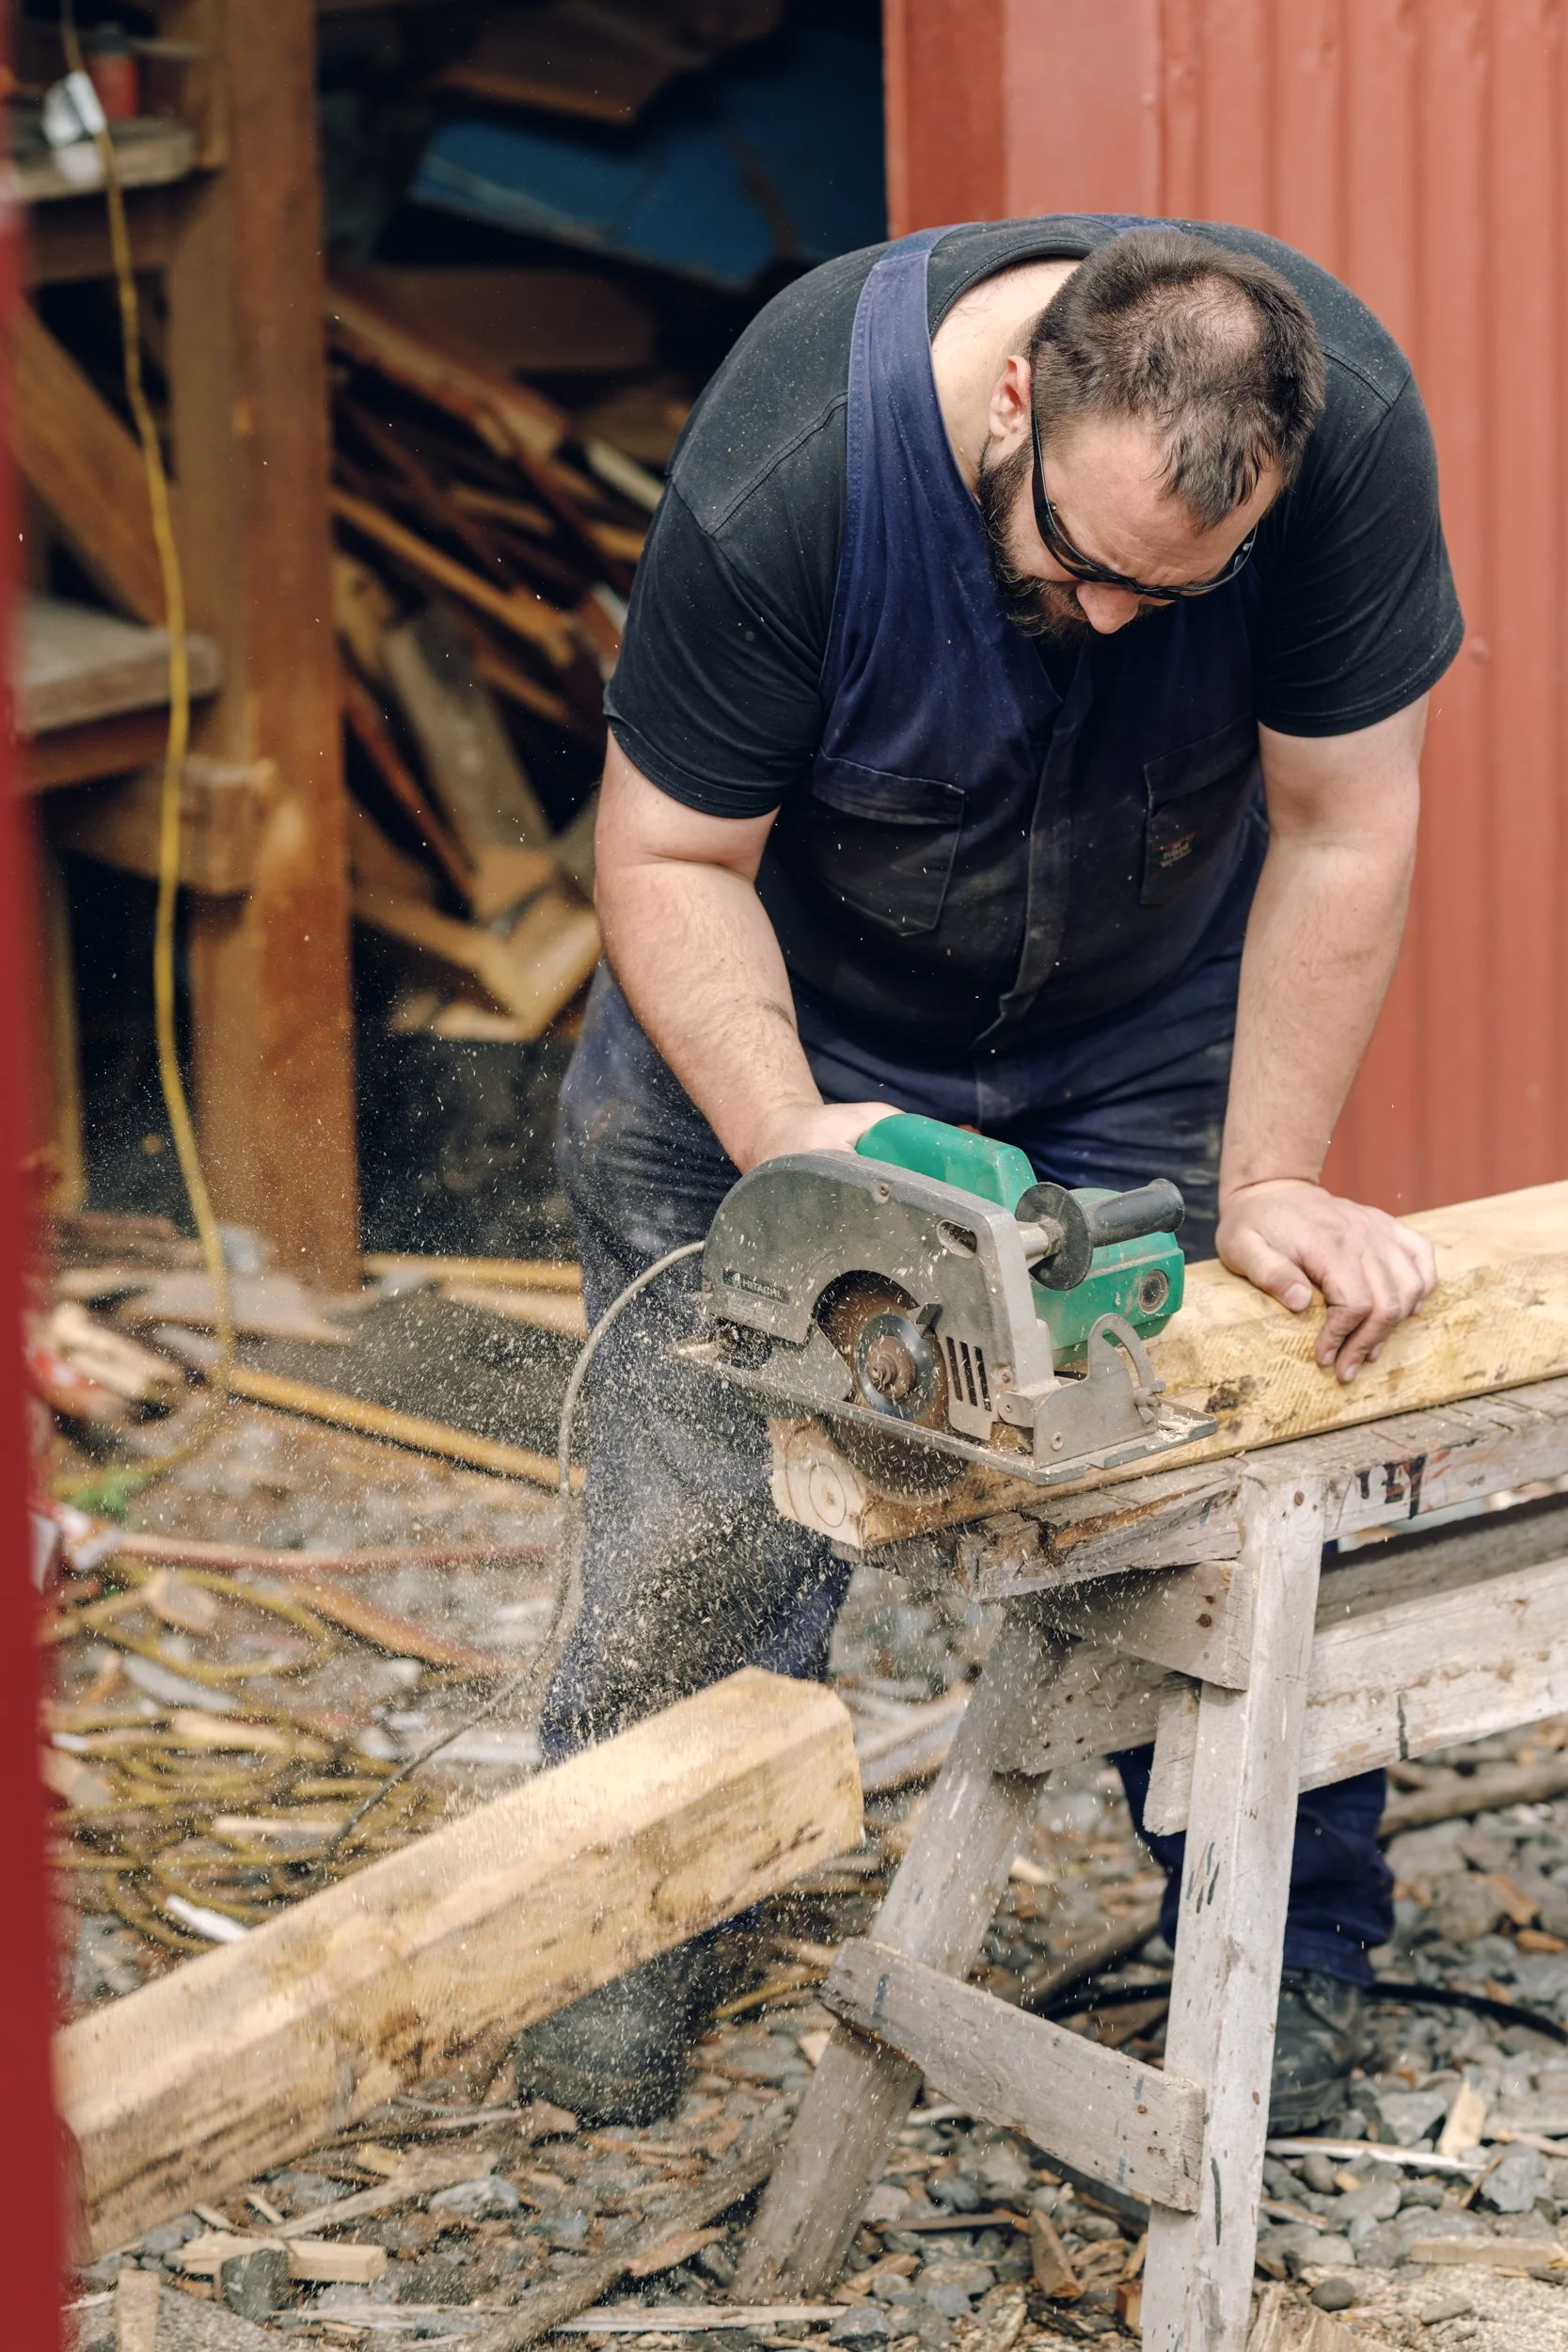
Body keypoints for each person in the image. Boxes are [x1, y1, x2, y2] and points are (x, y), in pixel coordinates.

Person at [515, 218, 1462, 2130]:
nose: (1114, 616)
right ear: (1015, 396)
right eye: (1081, 564)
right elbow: (666, 856)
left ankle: (1281, 1938)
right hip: (786, 1009)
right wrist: (786, 1147)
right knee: (706, 1475)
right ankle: (633, 1914)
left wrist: (1268, 1169)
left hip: (1129, 1012)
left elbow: (1343, 819)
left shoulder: (1340, 434)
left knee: (1199, 1455)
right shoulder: (802, 451)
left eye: (1173, 590)